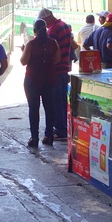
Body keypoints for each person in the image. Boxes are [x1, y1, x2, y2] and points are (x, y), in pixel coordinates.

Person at [20, 19, 61, 147]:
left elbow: (23, 61)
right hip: (49, 79)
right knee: (49, 109)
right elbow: (57, 60)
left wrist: (23, 51)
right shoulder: (53, 43)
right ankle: (48, 136)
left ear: (34, 31)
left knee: (34, 109)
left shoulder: (31, 44)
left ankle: (34, 138)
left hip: (32, 80)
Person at [38, 9, 73, 141]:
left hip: (56, 69)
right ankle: (63, 126)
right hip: (65, 68)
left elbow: (51, 51)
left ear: (47, 18)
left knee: (55, 101)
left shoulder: (53, 30)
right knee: (62, 100)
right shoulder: (64, 25)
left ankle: (60, 130)